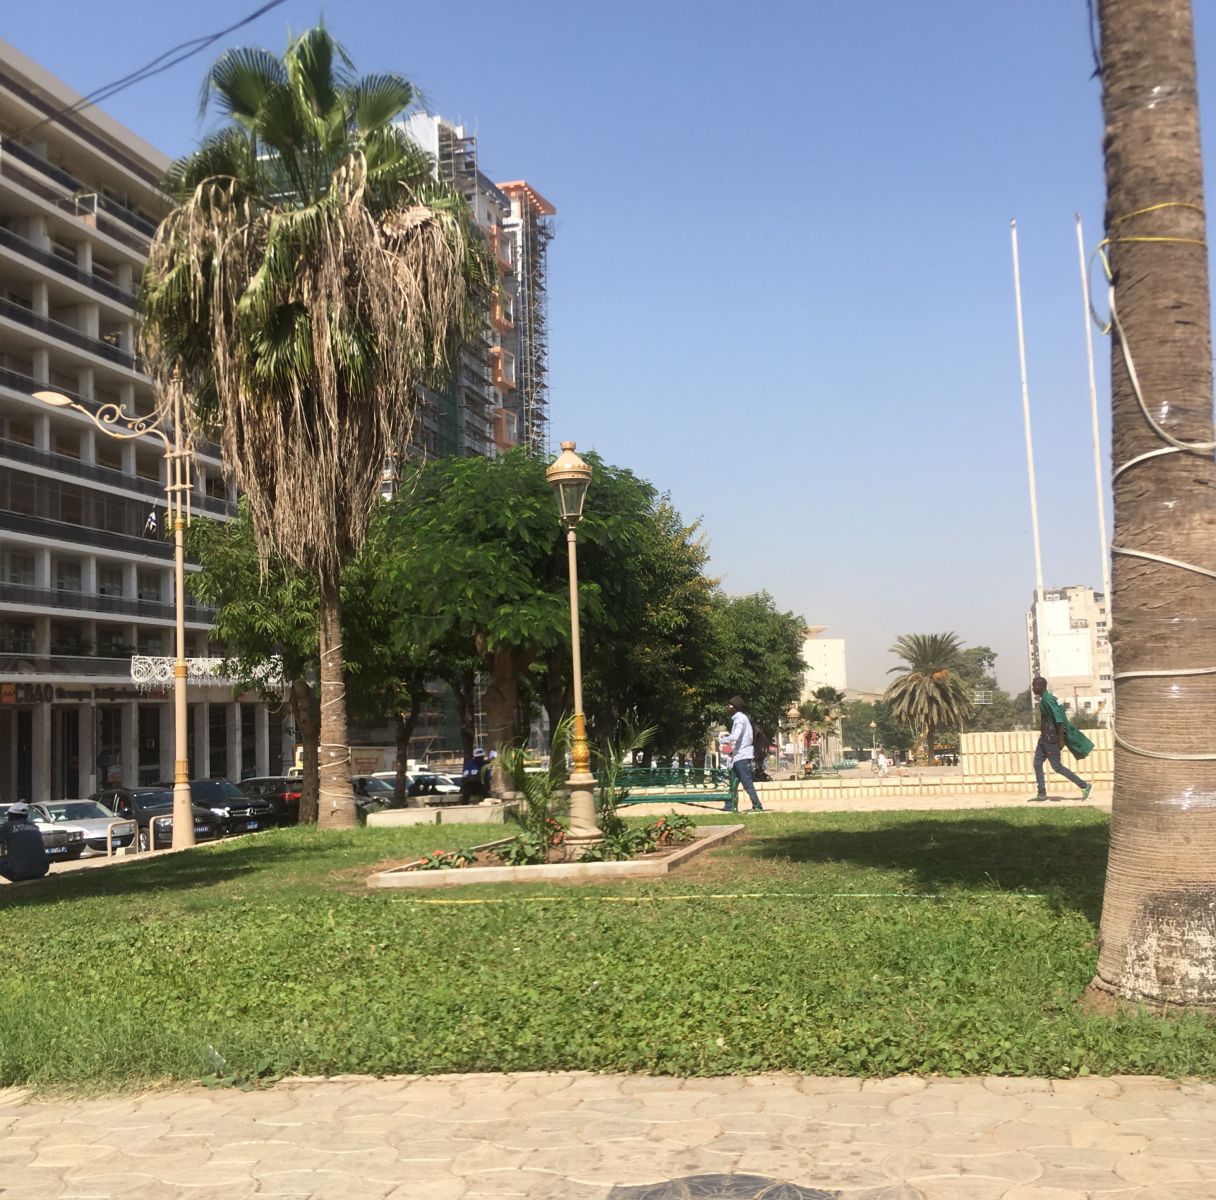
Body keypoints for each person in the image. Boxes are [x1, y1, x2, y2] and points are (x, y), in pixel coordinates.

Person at [1031, 676, 1092, 802]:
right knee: (1037, 764)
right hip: (1044, 739)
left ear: (1041, 686)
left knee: (1057, 767)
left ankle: (1084, 786)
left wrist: (1061, 739)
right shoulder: (1045, 700)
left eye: (1034, 685)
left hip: (1051, 739)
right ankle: (1041, 793)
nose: (1033, 688)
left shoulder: (1048, 700)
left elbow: (1059, 721)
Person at [723, 696, 765, 813]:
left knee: (747, 783)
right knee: (733, 782)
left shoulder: (740, 719)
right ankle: (729, 805)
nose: (727, 707)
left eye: (729, 705)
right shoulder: (739, 718)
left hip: (742, 756)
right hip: (738, 757)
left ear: (735, 707)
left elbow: (735, 736)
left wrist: (722, 740)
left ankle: (757, 806)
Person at [0, 802, 50, 883]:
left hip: (20, 873)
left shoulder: (8, 826)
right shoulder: (35, 826)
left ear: (12, 815)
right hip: (41, 870)